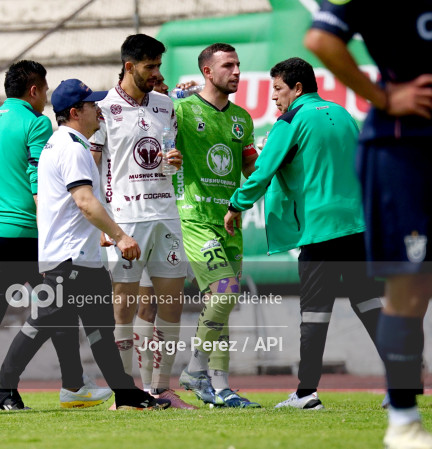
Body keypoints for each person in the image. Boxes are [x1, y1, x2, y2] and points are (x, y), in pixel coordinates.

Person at [0, 79, 170, 411]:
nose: (98, 109)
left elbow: (74, 205)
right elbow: (84, 201)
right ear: (74, 112)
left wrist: (98, 231)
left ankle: (125, 392)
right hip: (69, 260)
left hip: (75, 256)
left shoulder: (61, 143)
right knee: (43, 322)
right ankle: (1, 387)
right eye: (91, 105)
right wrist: (120, 236)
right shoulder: (72, 147)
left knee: (99, 330)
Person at [305, 3, 432, 447]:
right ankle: (403, 419)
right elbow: (320, 38)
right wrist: (385, 97)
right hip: (406, 151)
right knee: (410, 287)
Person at [223, 57, 382, 410]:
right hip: (355, 224)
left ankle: (306, 393)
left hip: (319, 228)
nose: (273, 99)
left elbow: (263, 171)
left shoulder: (291, 119)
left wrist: (236, 205)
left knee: (313, 311)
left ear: (297, 88)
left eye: (277, 89)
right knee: (369, 303)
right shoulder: (342, 114)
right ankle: (401, 383)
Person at [0, 60, 93, 410]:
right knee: (56, 306)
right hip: (27, 234)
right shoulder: (36, 123)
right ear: (33, 90)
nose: (46, 97)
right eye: (45, 89)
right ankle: (68, 386)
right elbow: (38, 178)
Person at [89, 34, 192, 409]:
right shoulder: (102, 109)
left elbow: (167, 155)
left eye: (159, 66)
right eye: (150, 66)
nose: (156, 73)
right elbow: (93, 167)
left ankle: (160, 387)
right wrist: (105, 227)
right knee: (124, 306)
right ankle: (125, 391)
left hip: (166, 215)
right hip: (126, 221)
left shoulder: (166, 105)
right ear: (129, 66)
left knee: (171, 303)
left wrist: (175, 161)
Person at [173, 42, 260, 408]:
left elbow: (249, 169)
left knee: (219, 304)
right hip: (194, 218)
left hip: (229, 223)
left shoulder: (243, 118)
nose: (236, 71)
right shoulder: (182, 108)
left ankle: (220, 388)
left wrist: (264, 165)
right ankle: (194, 371)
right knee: (224, 293)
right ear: (208, 72)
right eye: (228, 65)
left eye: (238, 65)